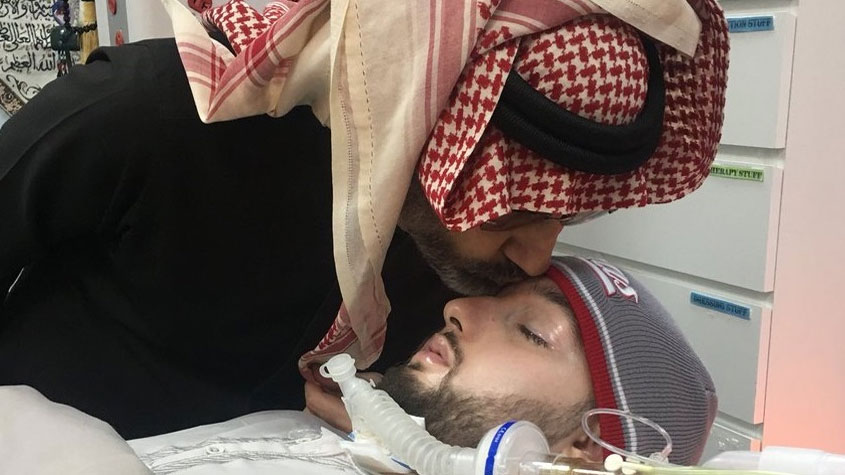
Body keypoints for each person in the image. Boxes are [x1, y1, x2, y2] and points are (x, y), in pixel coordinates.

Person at [0, 2, 728, 438]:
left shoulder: (461, 273)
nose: (534, 259)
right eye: (513, 211)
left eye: (567, 219)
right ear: (418, 123)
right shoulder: (146, 117)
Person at [0, 256, 716, 474]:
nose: (458, 309)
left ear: (588, 446)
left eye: (530, 331)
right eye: (492, 298)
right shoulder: (336, 428)